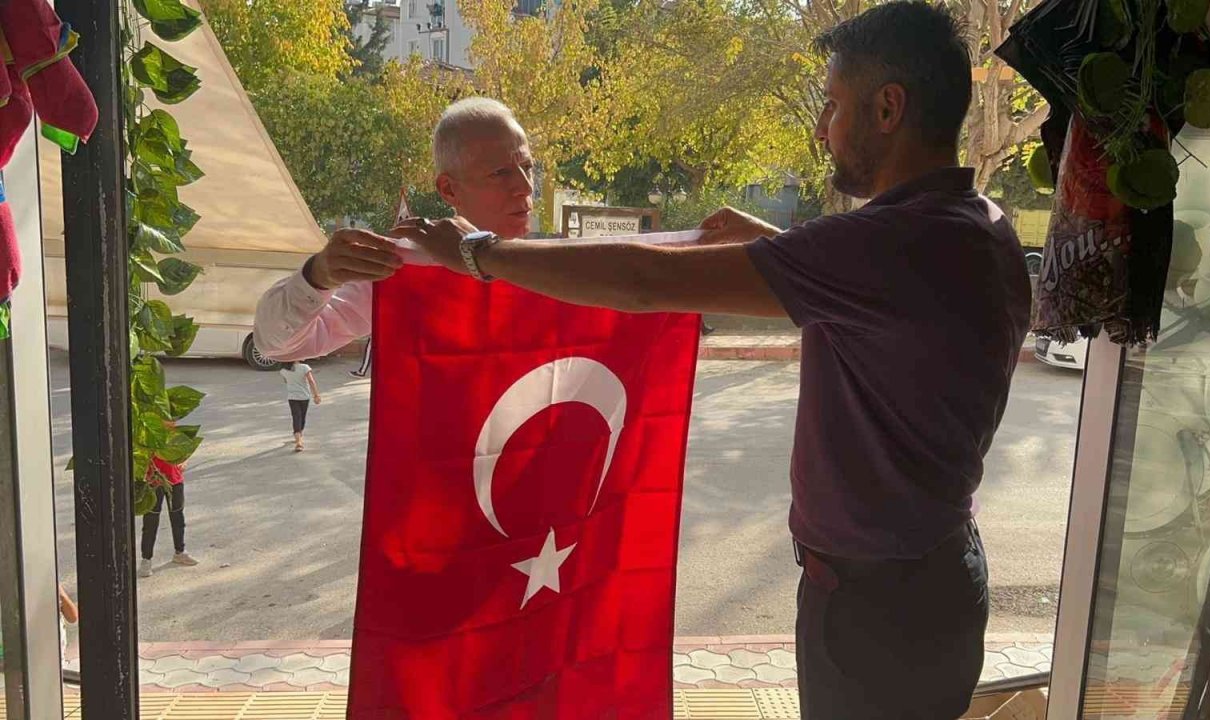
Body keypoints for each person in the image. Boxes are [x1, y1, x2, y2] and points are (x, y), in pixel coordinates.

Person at [387, 3, 1031, 717]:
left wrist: (480, 255)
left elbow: (645, 282)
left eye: (833, 104)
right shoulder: (980, 223)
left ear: (888, 108)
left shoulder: (882, 247)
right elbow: (877, 298)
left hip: (877, 613)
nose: (822, 128)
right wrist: (776, 246)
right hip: (939, 577)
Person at [253, 97, 536, 362]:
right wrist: (317, 276)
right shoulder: (409, 268)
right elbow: (275, 344)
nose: (525, 187)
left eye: (528, 167)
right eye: (500, 173)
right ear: (449, 189)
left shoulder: (566, 265)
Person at [139, 457, 199, 577]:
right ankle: (146, 560)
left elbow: (185, 448)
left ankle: (180, 552)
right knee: (151, 521)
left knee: (178, 517)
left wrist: (184, 462)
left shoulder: (174, 436)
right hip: (153, 480)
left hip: (175, 479)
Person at [280, 360, 322, 451]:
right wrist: (316, 395)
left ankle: (298, 436)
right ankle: (299, 441)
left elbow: (286, 382)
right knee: (301, 417)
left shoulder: (283, 370)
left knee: (296, 417)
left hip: (292, 397)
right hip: (304, 397)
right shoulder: (304, 367)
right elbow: (311, 381)